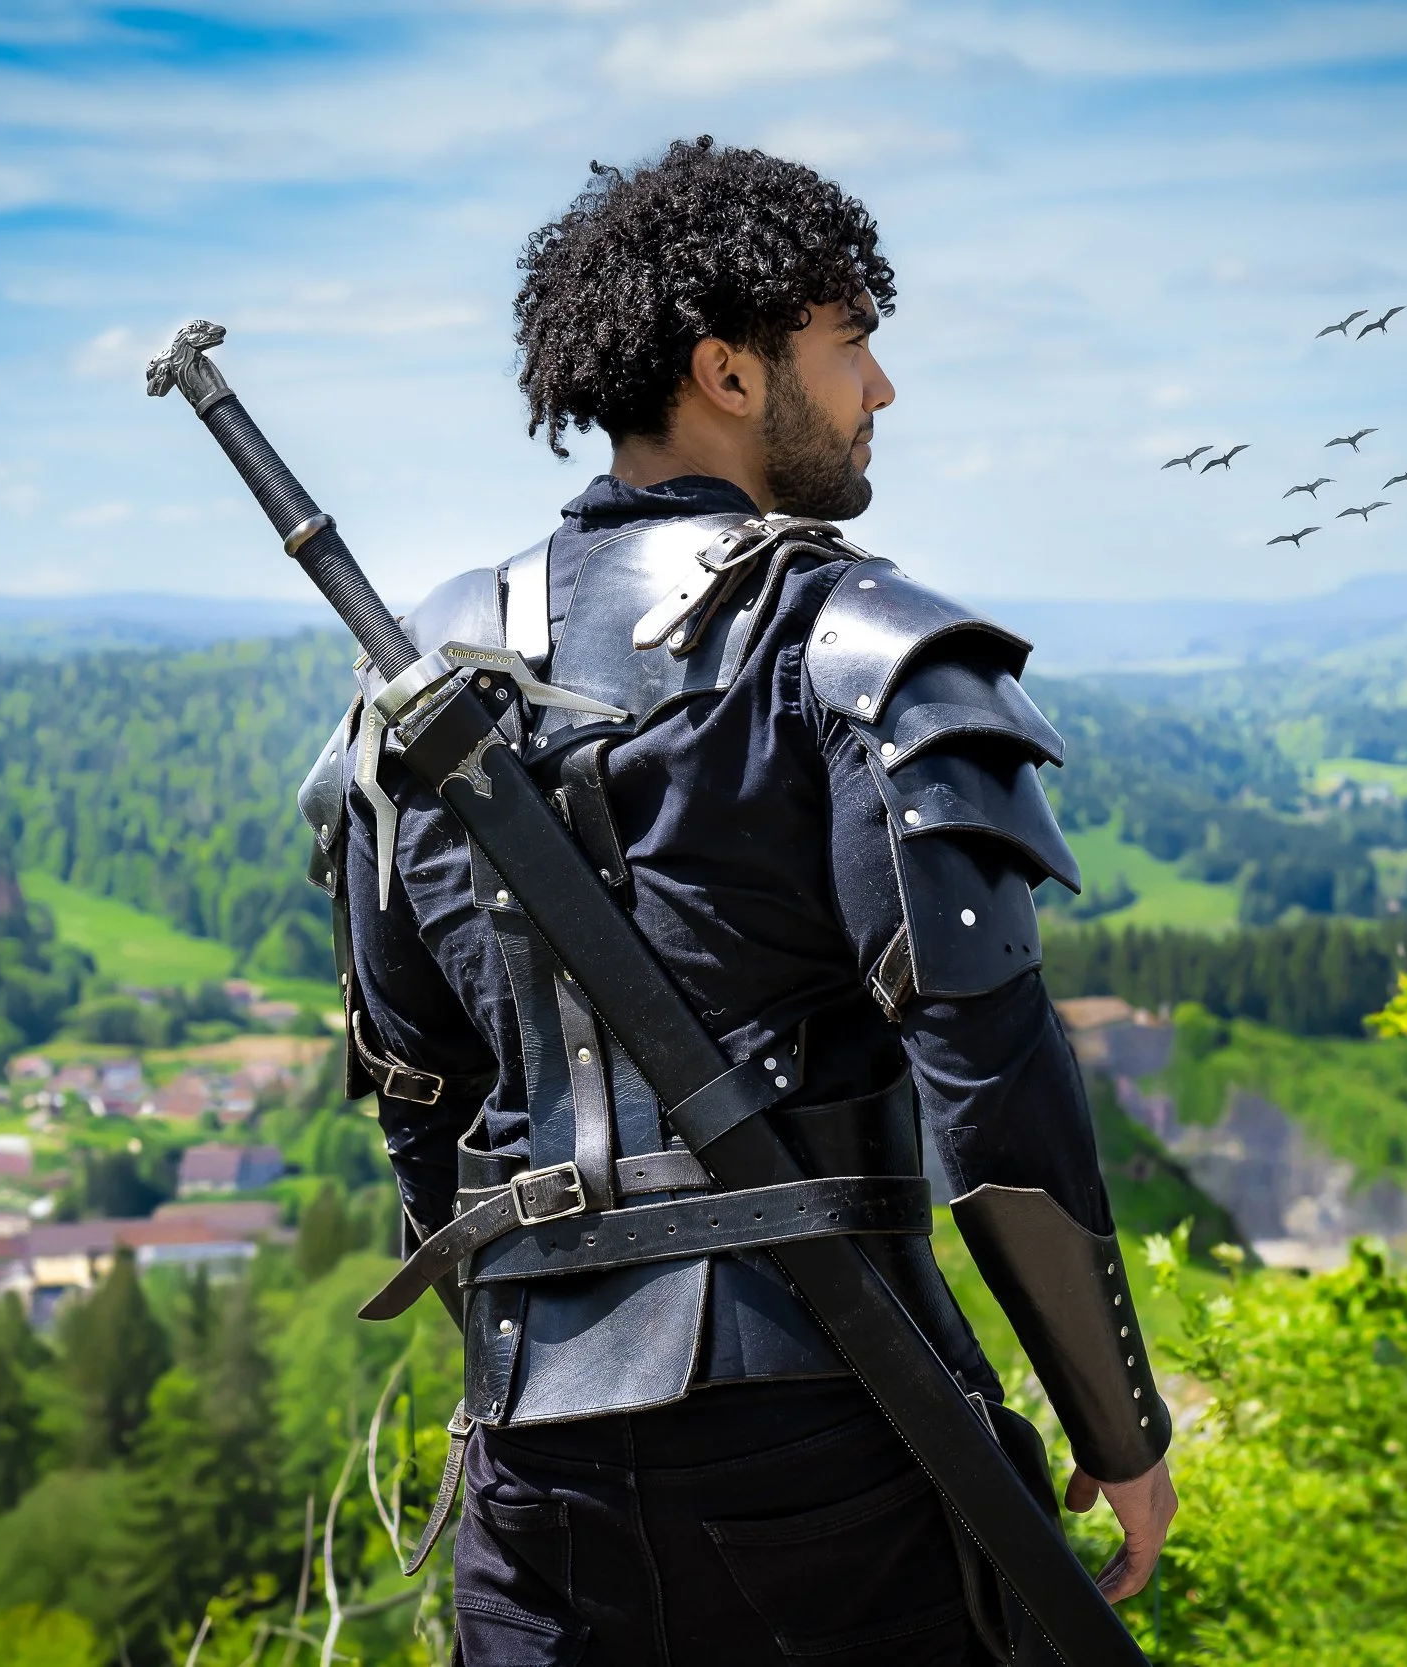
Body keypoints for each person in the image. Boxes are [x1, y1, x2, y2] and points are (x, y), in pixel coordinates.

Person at [301, 136, 1175, 1667]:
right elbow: (993, 1080)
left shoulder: (412, 678)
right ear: (727, 367)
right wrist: (1119, 1421)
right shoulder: (857, 643)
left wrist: (538, 1353)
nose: (880, 389)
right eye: (849, 346)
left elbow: (417, 1099)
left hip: (535, 1464)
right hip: (834, 1433)